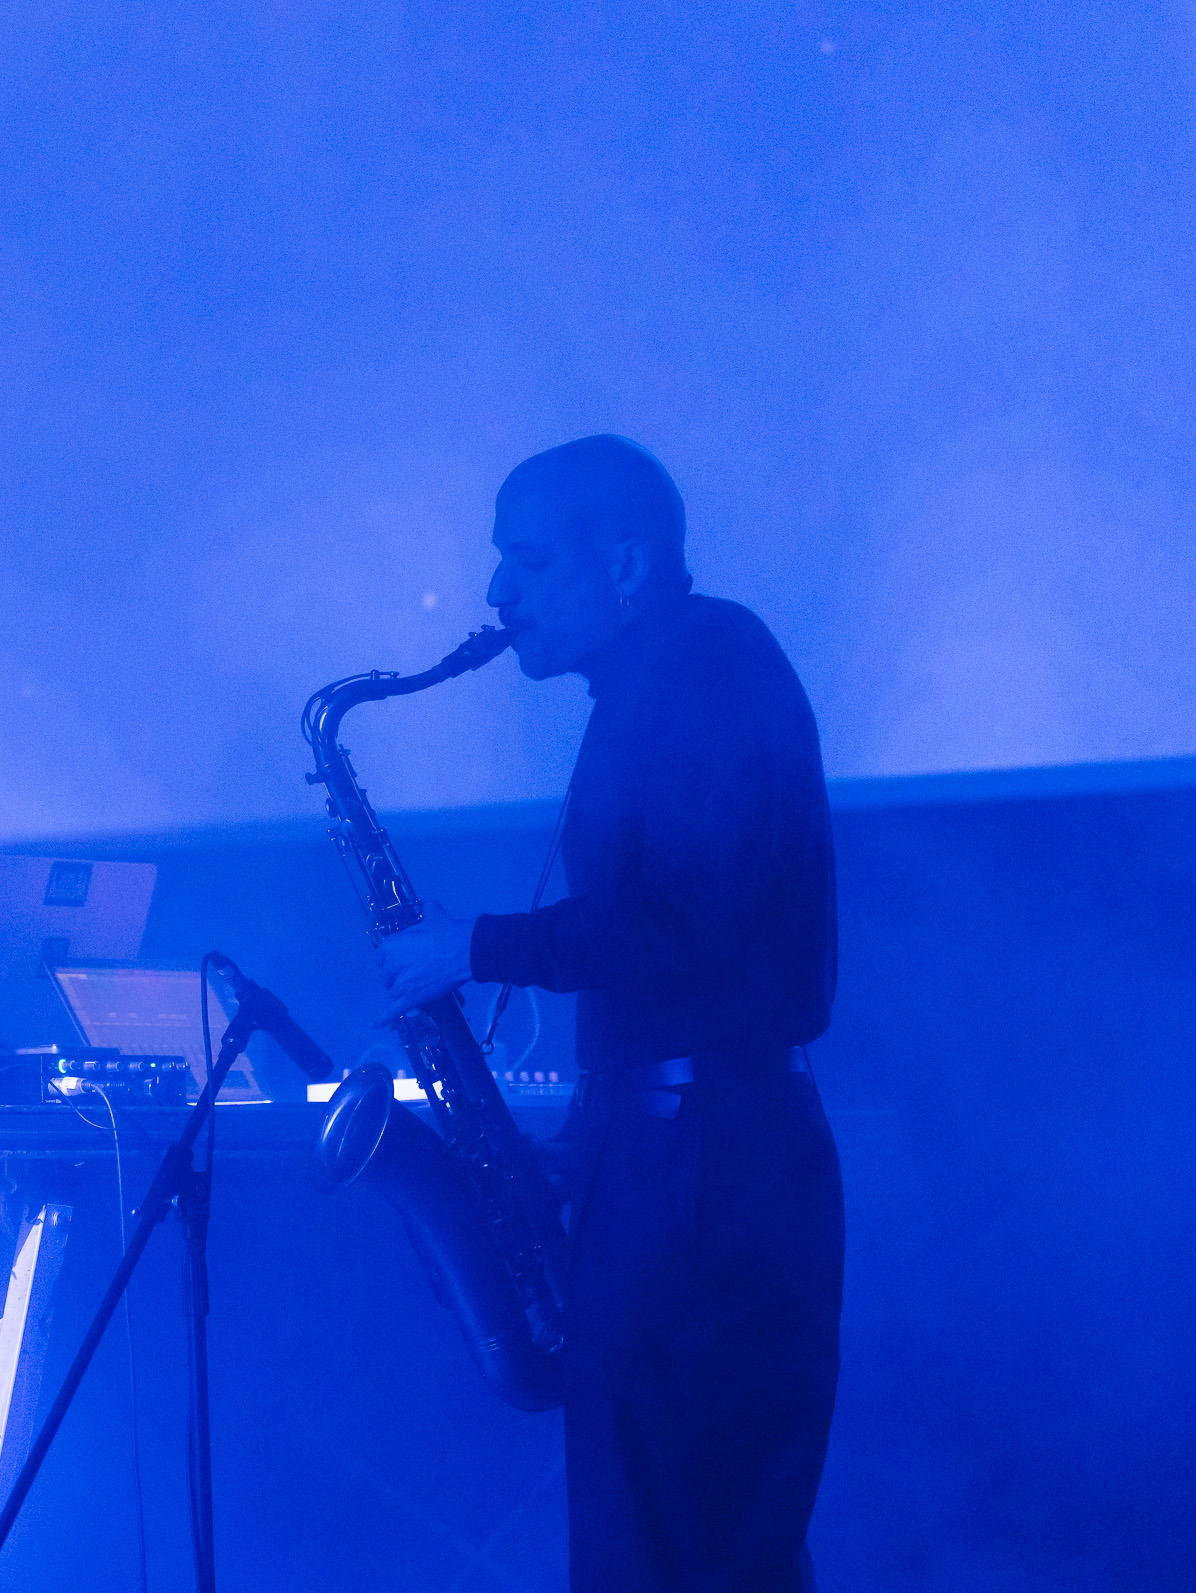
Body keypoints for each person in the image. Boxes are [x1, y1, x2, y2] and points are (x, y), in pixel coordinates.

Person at [377, 436, 843, 1593]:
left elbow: (695, 920)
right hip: (683, 1145)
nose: (497, 593)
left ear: (625, 565)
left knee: (677, 1544)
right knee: (671, 1543)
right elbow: (670, 971)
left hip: (710, 1162)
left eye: (528, 561)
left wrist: (476, 947)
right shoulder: (656, 682)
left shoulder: (711, 666)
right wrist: (580, 1146)